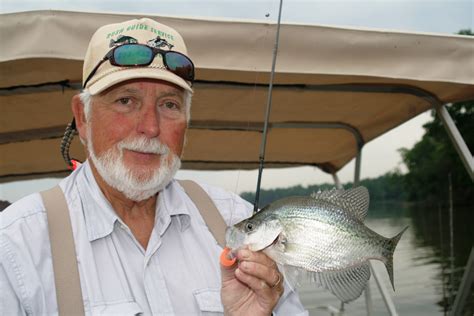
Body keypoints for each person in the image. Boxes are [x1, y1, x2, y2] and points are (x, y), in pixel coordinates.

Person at [0, 17, 308, 315]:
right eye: (125, 101)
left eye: (169, 105)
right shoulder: (15, 244)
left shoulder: (237, 220)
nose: (150, 127)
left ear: (187, 123)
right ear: (83, 117)